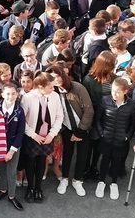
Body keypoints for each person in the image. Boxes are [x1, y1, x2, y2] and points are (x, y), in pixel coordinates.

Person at [50, 65, 94, 197]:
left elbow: (89, 110)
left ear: (63, 74)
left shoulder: (78, 87)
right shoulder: (54, 91)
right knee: (67, 154)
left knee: (82, 155)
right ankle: (64, 179)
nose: (56, 79)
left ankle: (77, 180)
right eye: (52, 78)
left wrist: (80, 131)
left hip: (82, 128)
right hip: (67, 128)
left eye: (57, 76)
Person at [21, 72, 63, 203]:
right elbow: (23, 120)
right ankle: (30, 188)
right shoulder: (27, 98)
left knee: (41, 162)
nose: (53, 89)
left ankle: (38, 188)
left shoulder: (55, 96)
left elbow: (59, 116)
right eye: (50, 86)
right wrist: (33, 135)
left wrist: (52, 134)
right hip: (32, 136)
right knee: (30, 162)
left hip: (47, 137)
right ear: (40, 86)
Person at [94, 77, 135, 200]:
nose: (114, 94)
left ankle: (114, 183)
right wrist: (101, 133)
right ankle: (101, 182)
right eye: (113, 90)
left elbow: (133, 123)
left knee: (117, 161)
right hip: (106, 138)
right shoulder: (105, 100)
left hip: (121, 140)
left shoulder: (132, 105)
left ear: (125, 91)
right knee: (104, 160)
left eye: (117, 91)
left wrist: (127, 136)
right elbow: (98, 119)